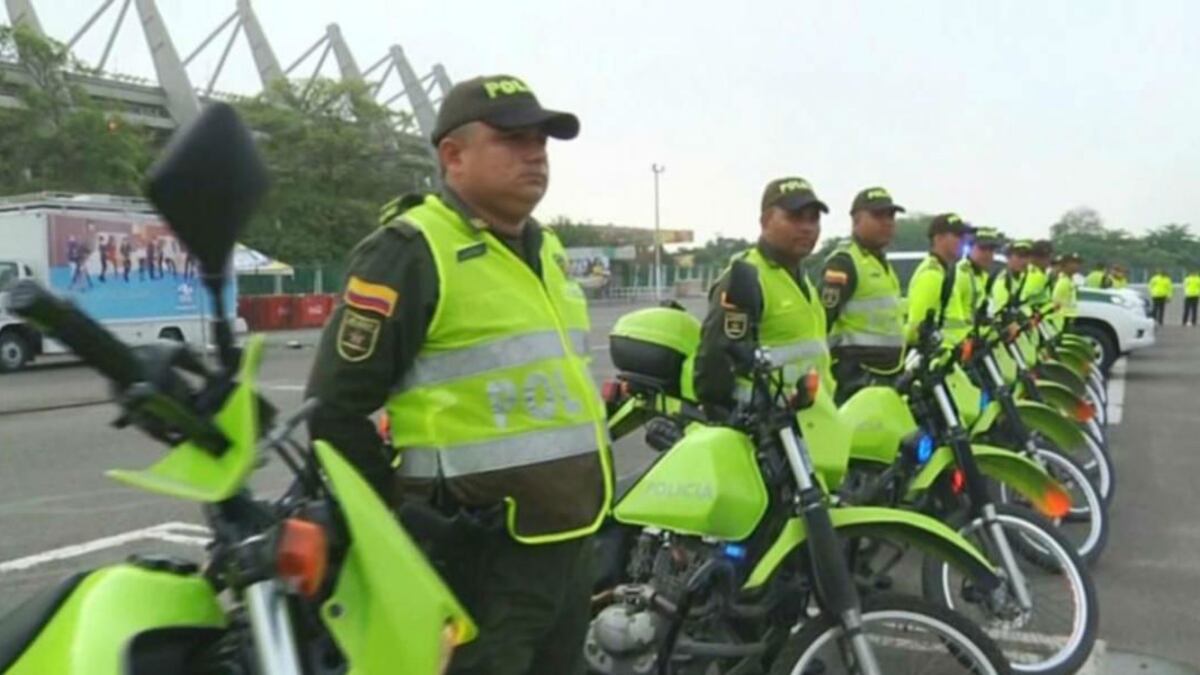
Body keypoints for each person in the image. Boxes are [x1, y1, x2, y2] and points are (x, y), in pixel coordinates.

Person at [305, 74, 607, 675]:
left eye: (542, 141)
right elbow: (332, 411)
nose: (536, 154)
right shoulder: (411, 251)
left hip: (568, 544)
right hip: (477, 560)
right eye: (514, 139)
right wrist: (401, 524)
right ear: (453, 156)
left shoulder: (545, 250)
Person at [695, 177, 833, 417]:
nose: (807, 227)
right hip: (768, 431)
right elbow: (715, 366)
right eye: (795, 217)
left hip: (815, 424)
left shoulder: (802, 278)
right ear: (766, 221)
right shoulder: (746, 278)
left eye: (814, 218)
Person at [819, 187, 906, 402]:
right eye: (878, 216)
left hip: (887, 374)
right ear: (856, 220)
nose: (887, 222)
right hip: (856, 378)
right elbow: (821, 320)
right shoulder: (844, 262)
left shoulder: (881, 263)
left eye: (891, 216)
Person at [905, 213, 971, 345]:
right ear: (938, 238)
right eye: (957, 235)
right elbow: (918, 329)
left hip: (952, 356)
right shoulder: (931, 274)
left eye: (963, 236)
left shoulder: (944, 271)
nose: (962, 240)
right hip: (940, 359)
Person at [953, 227, 1003, 331]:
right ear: (970, 248)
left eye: (991, 250)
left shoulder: (983, 276)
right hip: (957, 341)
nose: (988, 254)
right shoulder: (961, 274)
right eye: (983, 248)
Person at [990, 239, 1032, 314]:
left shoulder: (1024, 277)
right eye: (1020, 256)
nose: (1024, 261)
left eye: (1027, 256)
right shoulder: (1003, 280)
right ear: (1008, 258)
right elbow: (999, 311)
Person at [1050, 253, 1082, 333]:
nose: (1077, 266)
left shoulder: (1070, 280)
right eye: (1074, 263)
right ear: (1065, 265)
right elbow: (1055, 303)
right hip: (1062, 320)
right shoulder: (1063, 282)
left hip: (1069, 318)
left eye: (1078, 263)